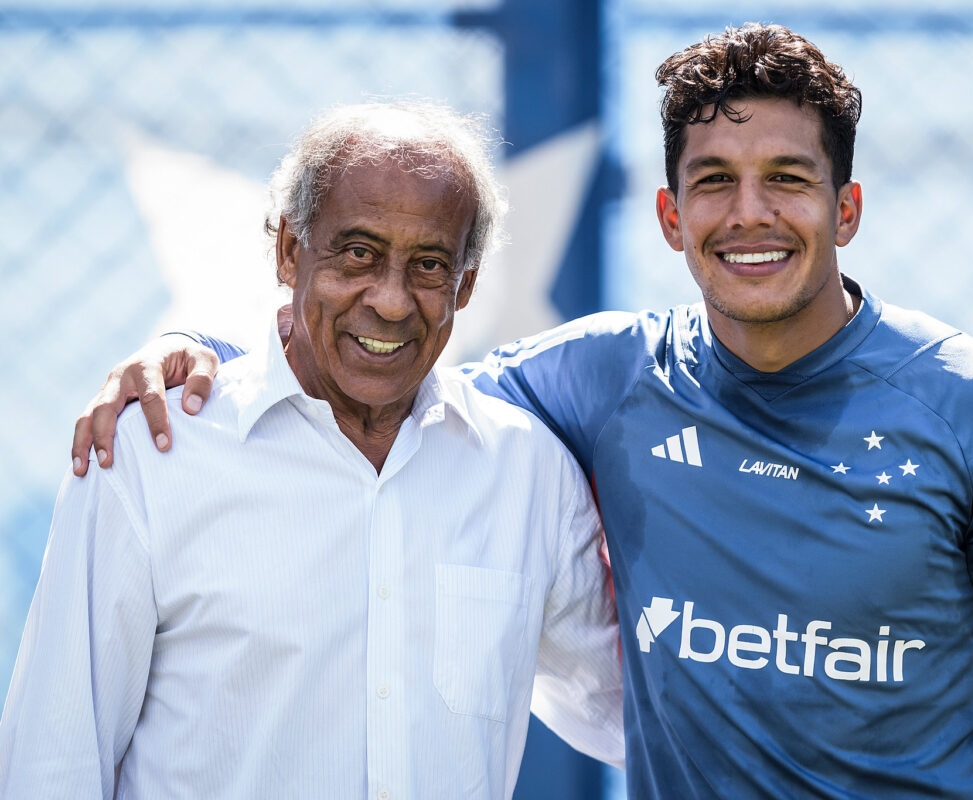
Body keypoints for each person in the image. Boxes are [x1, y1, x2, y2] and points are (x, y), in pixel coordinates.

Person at [63, 24, 973, 798]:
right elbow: (364, 365)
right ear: (671, 216)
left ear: (846, 209)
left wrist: (879, 726)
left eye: (789, 180)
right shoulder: (589, 379)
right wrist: (204, 353)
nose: (751, 214)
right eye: (716, 181)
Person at [0, 102, 625, 799]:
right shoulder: (150, 455)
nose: (390, 301)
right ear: (290, 251)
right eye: (357, 252)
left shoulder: (529, 475)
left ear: (466, 286)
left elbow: (635, 717)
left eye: (428, 265)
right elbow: (53, 762)